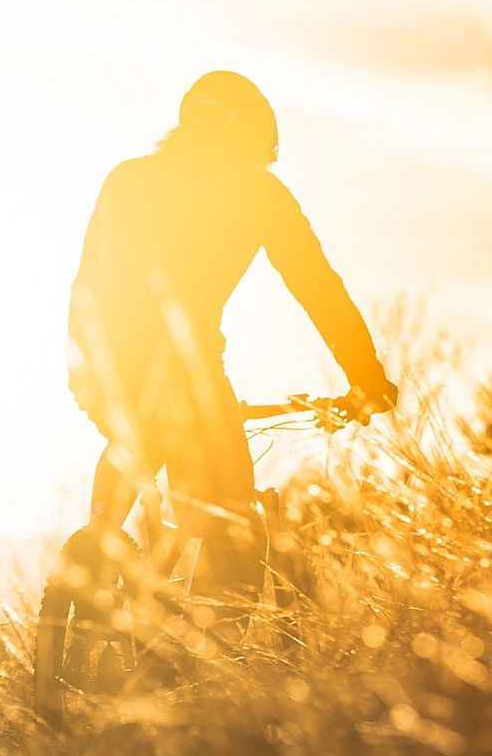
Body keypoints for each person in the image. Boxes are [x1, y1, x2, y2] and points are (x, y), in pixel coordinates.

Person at [66, 70, 397, 595]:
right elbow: (319, 289)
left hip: (111, 367)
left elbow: (86, 284)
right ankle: (199, 658)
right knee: (234, 536)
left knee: (131, 453)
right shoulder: (258, 192)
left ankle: (94, 552)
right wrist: (367, 380)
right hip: (191, 370)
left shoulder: (127, 178)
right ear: (256, 136)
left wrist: (84, 375)